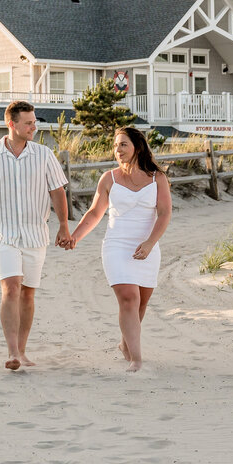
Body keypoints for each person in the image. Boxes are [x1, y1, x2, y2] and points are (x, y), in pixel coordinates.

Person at [0, 101, 70, 371]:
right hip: (1, 234)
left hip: (35, 234)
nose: (33, 127)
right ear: (11, 124)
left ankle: (23, 350)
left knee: (27, 294)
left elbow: (58, 191)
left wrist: (63, 225)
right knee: (11, 287)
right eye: (28, 123)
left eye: (34, 122)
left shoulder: (43, 154)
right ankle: (12, 352)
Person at [66, 127, 172, 372]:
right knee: (129, 298)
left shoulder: (158, 178)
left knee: (141, 303)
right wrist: (75, 237)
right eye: (116, 146)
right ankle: (136, 358)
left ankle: (126, 344)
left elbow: (165, 214)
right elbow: (94, 213)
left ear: (137, 147)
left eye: (123, 144)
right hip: (117, 245)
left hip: (147, 246)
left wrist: (149, 243)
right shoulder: (109, 179)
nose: (118, 150)